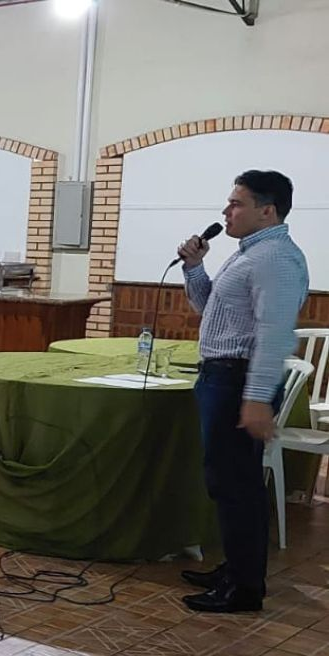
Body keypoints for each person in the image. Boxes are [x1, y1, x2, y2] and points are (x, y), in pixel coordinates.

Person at [174, 170, 308, 614]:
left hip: (237, 381)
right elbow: (209, 309)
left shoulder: (274, 259)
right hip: (221, 377)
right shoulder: (249, 253)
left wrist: (255, 398)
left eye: (236, 204)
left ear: (267, 210)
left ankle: (245, 588)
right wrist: (195, 268)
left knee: (237, 486)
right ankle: (234, 569)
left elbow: (274, 335)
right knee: (228, 481)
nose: (226, 211)